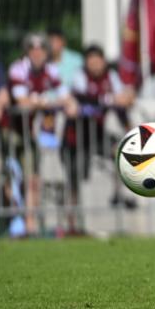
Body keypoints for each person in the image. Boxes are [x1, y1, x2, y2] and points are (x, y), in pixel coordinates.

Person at [6, 33, 73, 235]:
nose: (37, 53)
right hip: (9, 130)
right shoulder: (18, 69)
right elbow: (22, 102)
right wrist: (45, 101)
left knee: (32, 177)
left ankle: (29, 222)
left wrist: (43, 100)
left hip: (29, 134)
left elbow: (67, 99)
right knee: (8, 177)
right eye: (33, 49)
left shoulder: (50, 71)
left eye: (41, 49)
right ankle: (13, 218)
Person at [63, 44, 135, 231]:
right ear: (86, 63)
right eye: (91, 61)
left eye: (98, 60)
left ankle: (119, 194)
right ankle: (72, 223)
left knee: (120, 151)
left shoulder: (111, 76)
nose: (95, 64)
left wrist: (131, 129)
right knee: (74, 179)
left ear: (103, 61)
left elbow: (120, 105)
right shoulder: (79, 76)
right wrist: (110, 99)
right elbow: (84, 98)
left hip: (97, 133)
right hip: (75, 137)